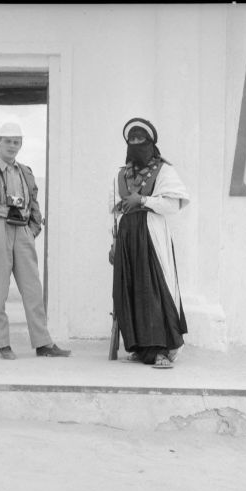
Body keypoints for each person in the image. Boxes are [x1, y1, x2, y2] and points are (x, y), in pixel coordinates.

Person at [0, 122, 71, 360]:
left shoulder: (26, 172)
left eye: (16, 141)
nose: (12, 145)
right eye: (8, 141)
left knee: (33, 288)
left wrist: (33, 229)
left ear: (21, 144)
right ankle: (2, 345)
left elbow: (34, 205)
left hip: (23, 230)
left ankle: (43, 343)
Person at [109, 117, 189, 368]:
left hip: (151, 235)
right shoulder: (120, 174)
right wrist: (113, 242)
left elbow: (173, 204)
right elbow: (114, 211)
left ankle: (162, 350)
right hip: (127, 236)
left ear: (151, 142)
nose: (135, 143)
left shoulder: (164, 170)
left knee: (153, 289)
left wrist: (143, 201)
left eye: (140, 139)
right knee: (130, 290)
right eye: (131, 139)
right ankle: (141, 348)